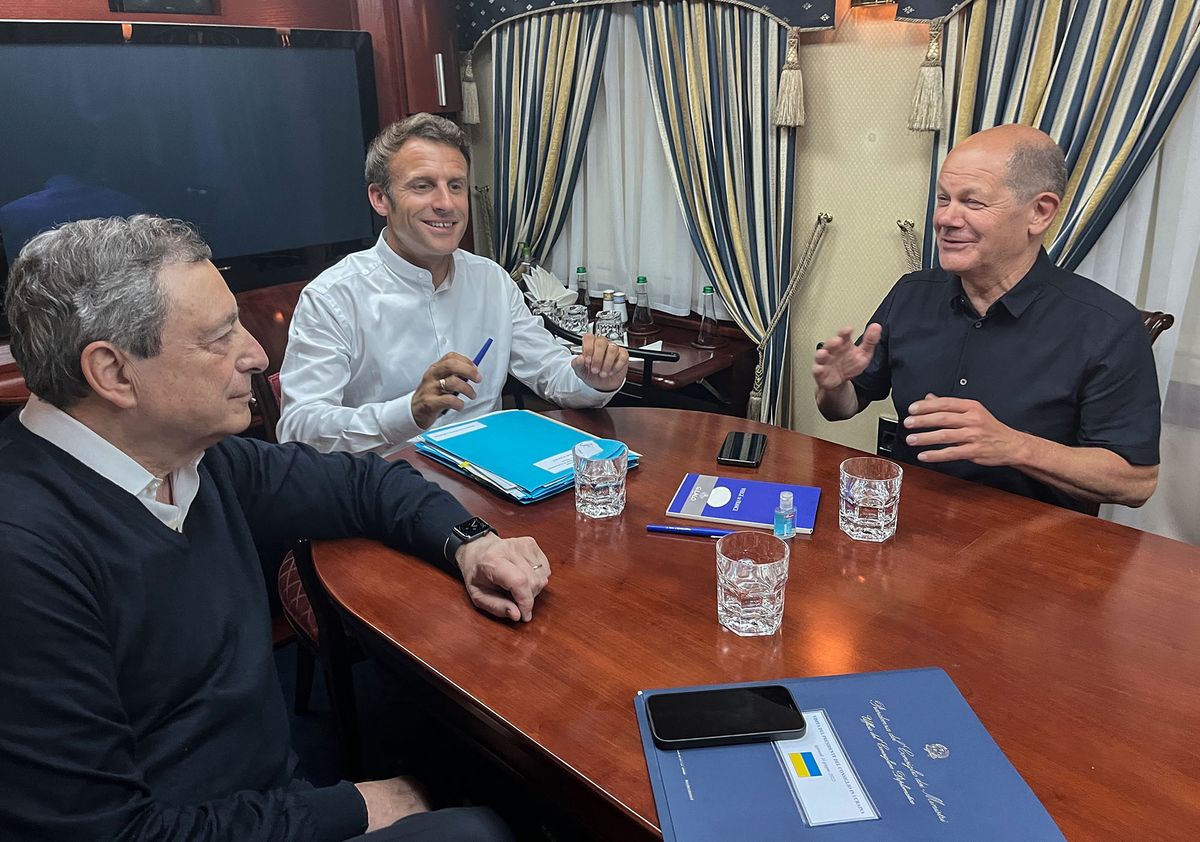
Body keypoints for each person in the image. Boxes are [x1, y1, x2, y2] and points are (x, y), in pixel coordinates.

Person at [0, 215, 551, 840]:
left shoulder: (198, 460)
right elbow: (108, 833)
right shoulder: (24, 554)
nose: (257, 355)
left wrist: (471, 542)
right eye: (218, 337)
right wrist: (362, 807)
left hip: (266, 794)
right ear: (114, 373)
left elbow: (363, 484)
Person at [813, 124, 1160, 511]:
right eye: (943, 199)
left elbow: (1135, 481)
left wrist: (1015, 446)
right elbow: (844, 407)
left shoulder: (1108, 326)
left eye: (973, 203)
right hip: (910, 523)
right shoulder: (912, 293)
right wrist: (834, 387)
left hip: (1036, 547)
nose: (946, 218)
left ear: (1039, 213)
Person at [277, 113, 629, 455]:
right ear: (380, 199)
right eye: (423, 185)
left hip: (491, 475)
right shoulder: (333, 297)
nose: (446, 204)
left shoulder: (491, 279)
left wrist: (595, 379)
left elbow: (549, 372)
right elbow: (300, 430)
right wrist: (410, 411)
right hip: (384, 486)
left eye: (456, 186)